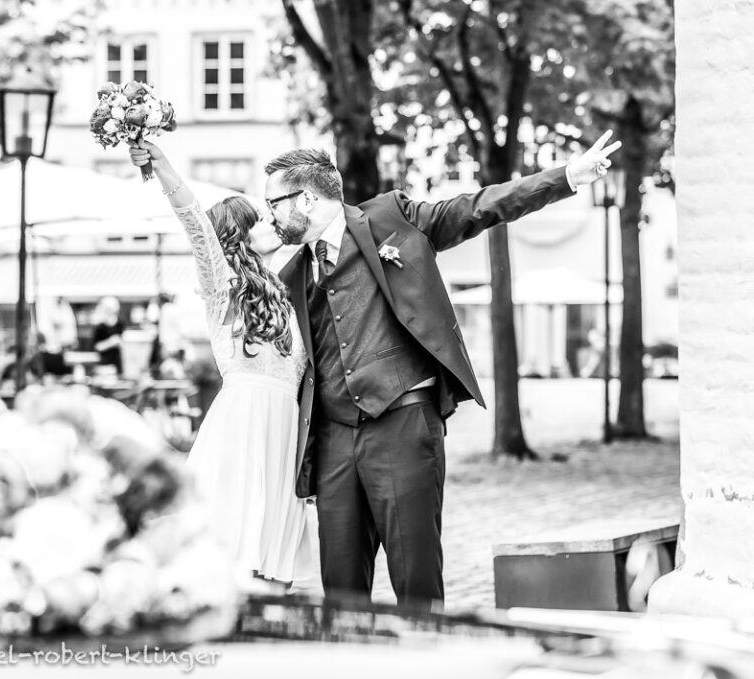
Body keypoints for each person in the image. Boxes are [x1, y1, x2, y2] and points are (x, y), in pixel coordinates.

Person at [264, 131, 622, 607]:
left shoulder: (392, 219)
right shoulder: (290, 273)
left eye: (274, 202)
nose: (270, 214)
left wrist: (566, 177)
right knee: (341, 589)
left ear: (307, 197)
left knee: (416, 579)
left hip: (403, 424)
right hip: (333, 439)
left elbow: (478, 207)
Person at [128, 140, 316, 587]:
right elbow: (194, 221)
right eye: (261, 219)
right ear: (238, 236)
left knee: (276, 560)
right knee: (230, 551)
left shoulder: (285, 293)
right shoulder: (223, 288)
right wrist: (162, 165)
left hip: (284, 431)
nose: (273, 220)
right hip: (242, 428)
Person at [91, 296, 124, 375]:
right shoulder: (100, 327)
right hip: (103, 366)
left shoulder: (120, 325)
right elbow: (96, 347)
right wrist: (111, 342)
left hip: (118, 365)